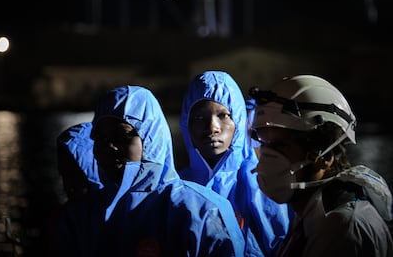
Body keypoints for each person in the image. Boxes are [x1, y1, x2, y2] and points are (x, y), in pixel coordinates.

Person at [51, 85, 245, 256]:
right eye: (100, 138)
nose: (109, 146)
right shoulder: (82, 215)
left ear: (150, 138)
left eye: (122, 136)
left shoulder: (200, 211)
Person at [249, 74, 393, 256]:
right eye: (264, 144)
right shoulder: (312, 213)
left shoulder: (345, 228)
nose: (267, 158)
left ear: (324, 155)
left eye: (280, 146)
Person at [179, 70, 291, 256]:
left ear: (239, 120)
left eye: (224, 115)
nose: (212, 128)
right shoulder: (176, 188)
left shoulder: (262, 185)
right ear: (186, 124)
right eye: (199, 118)